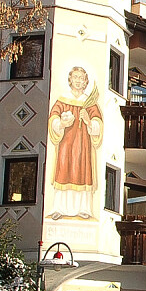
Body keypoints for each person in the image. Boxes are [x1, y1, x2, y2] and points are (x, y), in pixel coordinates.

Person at [48, 66, 103, 219]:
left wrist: (88, 120)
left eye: (81, 78)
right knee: (63, 169)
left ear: (85, 82)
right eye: (75, 77)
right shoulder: (62, 99)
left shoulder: (89, 102)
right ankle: (59, 208)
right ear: (70, 80)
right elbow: (53, 117)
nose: (78, 81)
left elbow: (98, 122)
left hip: (83, 145)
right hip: (66, 143)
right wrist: (61, 124)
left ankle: (83, 209)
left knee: (83, 171)